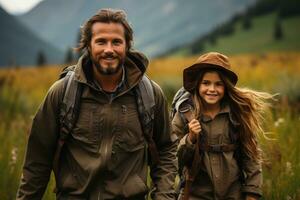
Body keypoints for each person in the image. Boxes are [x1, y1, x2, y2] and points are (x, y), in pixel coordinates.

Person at [17, 9, 178, 200]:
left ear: (127, 46)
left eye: (116, 42)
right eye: (101, 41)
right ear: (88, 46)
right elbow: (37, 161)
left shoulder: (150, 95)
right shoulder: (62, 93)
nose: (108, 49)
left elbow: (167, 150)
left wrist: (164, 197)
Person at [172, 52, 273, 199]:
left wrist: (252, 193)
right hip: (195, 194)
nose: (212, 89)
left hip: (233, 194)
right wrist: (190, 139)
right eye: (206, 83)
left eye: (218, 84)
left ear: (226, 86)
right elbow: (172, 159)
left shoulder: (237, 115)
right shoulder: (184, 114)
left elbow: (251, 157)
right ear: (197, 84)